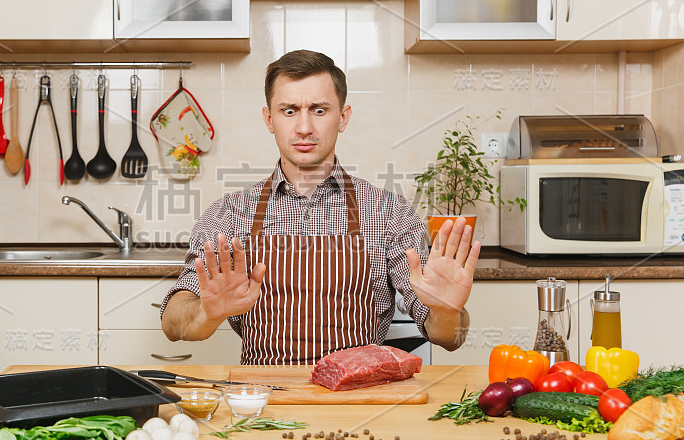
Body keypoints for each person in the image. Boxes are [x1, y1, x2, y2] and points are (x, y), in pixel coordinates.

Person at [160, 49, 478, 365]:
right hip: (263, 403)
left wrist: (446, 311)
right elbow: (174, 320)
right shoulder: (230, 212)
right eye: (289, 111)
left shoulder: (389, 211)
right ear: (269, 119)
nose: (304, 127)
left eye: (319, 110)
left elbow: (446, 336)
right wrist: (206, 313)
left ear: (343, 117)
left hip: (358, 400)